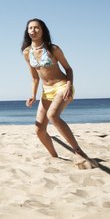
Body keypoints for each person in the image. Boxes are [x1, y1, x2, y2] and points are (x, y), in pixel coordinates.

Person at [22, 18, 94, 169]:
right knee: (39, 130)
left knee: (52, 116)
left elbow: (68, 69)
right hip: (46, 91)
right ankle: (55, 157)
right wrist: (33, 95)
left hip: (62, 86)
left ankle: (79, 153)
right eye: (30, 28)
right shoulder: (27, 52)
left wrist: (69, 84)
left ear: (43, 31)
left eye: (37, 28)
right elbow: (35, 77)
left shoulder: (53, 49)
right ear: (27, 31)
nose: (33, 31)